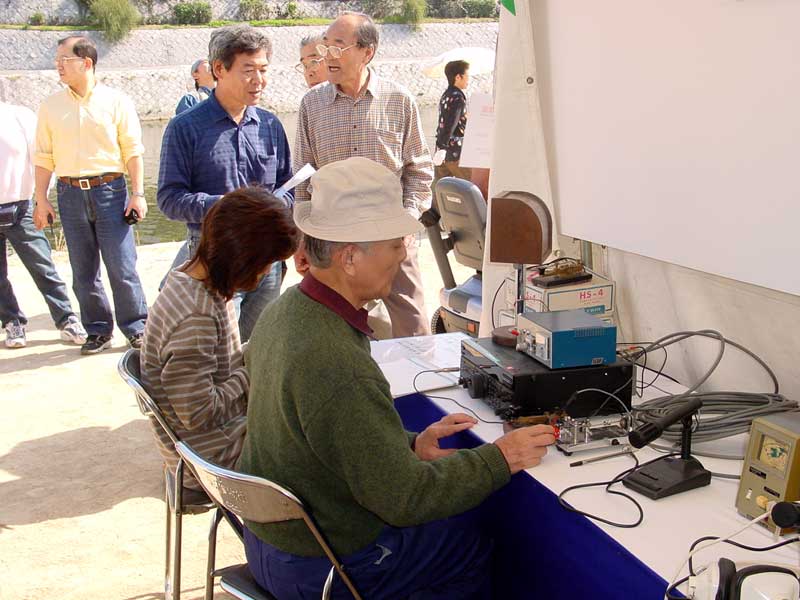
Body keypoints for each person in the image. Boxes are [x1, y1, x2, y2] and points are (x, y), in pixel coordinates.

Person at [239, 157, 556, 599]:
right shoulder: (336, 361)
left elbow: (321, 435)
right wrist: (500, 457)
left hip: (271, 544)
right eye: (394, 244)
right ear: (350, 258)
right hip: (320, 567)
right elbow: (405, 500)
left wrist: (407, 445)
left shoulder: (283, 312)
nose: (404, 254)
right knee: (468, 538)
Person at [141, 186, 298, 490]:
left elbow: (218, 368)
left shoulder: (189, 278)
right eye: (266, 263)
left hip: (220, 437)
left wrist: (263, 350)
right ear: (242, 257)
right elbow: (199, 413)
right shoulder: (195, 316)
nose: (267, 272)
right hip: (217, 458)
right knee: (323, 440)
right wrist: (253, 371)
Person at [293, 12, 434, 338]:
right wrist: (302, 238)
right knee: (332, 332)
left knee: (413, 331)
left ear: (367, 52)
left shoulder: (399, 100)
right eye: (325, 47)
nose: (327, 57)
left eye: (337, 47)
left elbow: (419, 170)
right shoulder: (311, 104)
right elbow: (303, 178)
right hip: (333, 241)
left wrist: (406, 223)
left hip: (392, 238)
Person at [158, 25, 293, 342]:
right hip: (215, 257)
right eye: (248, 70)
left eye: (263, 70)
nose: (259, 80)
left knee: (257, 346)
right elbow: (169, 199)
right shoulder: (185, 128)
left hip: (267, 260)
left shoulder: (270, 125)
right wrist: (224, 207)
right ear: (219, 69)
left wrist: (275, 207)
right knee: (218, 347)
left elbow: (289, 187)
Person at [33, 36, 148, 355]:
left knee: (122, 266)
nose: (58, 65)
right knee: (83, 270)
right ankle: (98, 330)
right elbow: (43, 157)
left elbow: (133, 151)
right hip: (69, 193)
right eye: (57, 59)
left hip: (111, 191)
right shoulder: (50, 106)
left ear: (86, 63)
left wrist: (138, 194)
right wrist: (41, 199)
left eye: (64, 59)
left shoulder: (116, 101)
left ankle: (137, 327)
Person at [0, 101, 87, 349]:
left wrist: (41, 200)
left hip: (20, 207)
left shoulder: (19, 116)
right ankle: (12, 321)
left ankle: (66, 318)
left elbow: (43, 159)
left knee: (43, 267)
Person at [434, 60, 471, 182]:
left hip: (441, 150)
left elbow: (444, 121)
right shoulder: (458, 97)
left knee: (441, 187)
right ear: (458, 77)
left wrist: (441, 147)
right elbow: (452, 123)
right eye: (467, 76)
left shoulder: (446, 94)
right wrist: (444, 146)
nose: (468, 79)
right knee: (469, 186)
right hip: (455, 151)